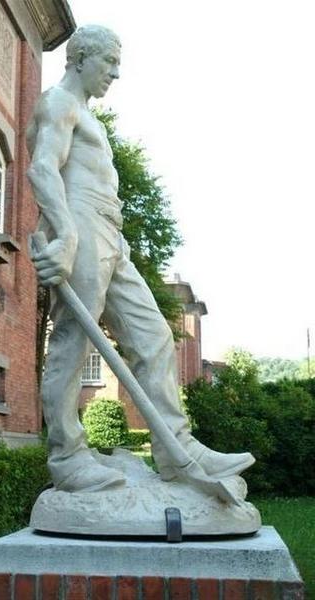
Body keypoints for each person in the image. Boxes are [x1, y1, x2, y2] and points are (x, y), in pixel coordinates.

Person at [27, 25, 254, 493]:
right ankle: (67, 457)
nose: (116, 72)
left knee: (154, 338)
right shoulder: (58, 102)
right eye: (109, 61)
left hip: (111, 235)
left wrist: (116, 238)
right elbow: (43, 167)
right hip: (83, 227)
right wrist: (66, 235)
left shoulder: (87, 115)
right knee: (73, 342)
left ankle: (178, 450)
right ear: (82, 57)